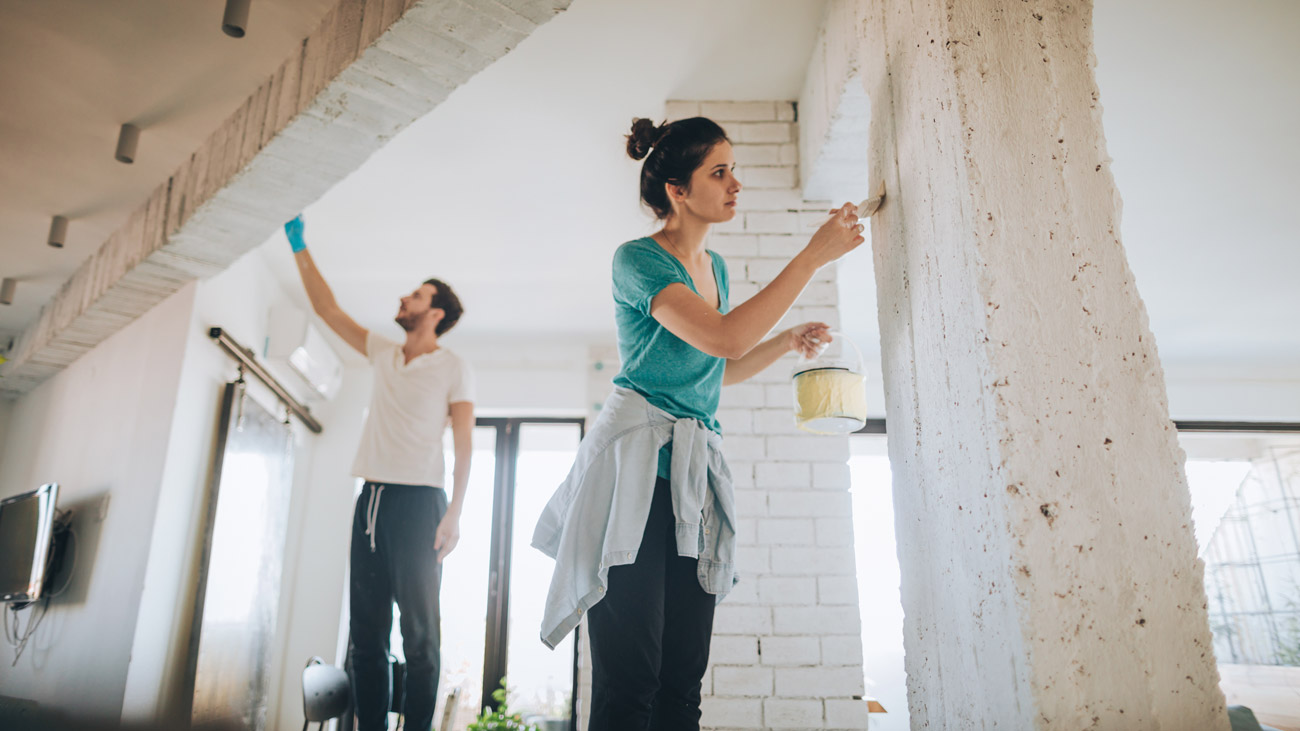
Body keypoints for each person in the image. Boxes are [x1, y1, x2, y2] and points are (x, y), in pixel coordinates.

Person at [531, 117, 864, 730]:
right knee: (633, 679)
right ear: (677, 191)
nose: (736, 183)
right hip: (633, 468)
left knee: (683, 679)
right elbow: (726, 336)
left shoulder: (718, 269)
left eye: (733, 168)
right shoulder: (637, 260)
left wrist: (784, 342)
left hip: (689, 471)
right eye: (720, 171)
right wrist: (813, 255)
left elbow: (718, 367)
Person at [284, 215, 475, 731]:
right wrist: (299, 245)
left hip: (421, 504)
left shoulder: (453, 366)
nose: (403, 299)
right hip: (371, 499)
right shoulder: (383, 352)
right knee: (366, 636)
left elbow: (463, 442)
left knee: (420, 636)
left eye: (415, 296)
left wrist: (454, 513)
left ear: (434, 312)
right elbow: (326, 308)